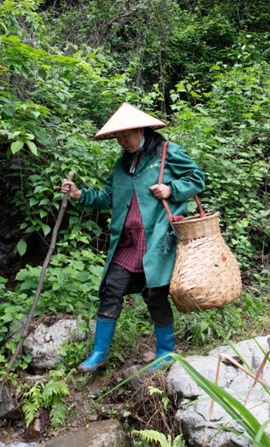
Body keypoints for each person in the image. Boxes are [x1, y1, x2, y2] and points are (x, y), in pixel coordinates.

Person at [60, 103, 206, 372]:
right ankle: (99, 353)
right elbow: (108, 197)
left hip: (158, 242)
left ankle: (165, 354)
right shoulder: (121, 164)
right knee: (111, 290)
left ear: (141, 129)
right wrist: (80, 195)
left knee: (155, 295)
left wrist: (171, 188)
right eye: (118, 137)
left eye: (126, 135)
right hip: (127, 243)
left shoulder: (167, 152)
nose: (122, 141)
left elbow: (197, 178)